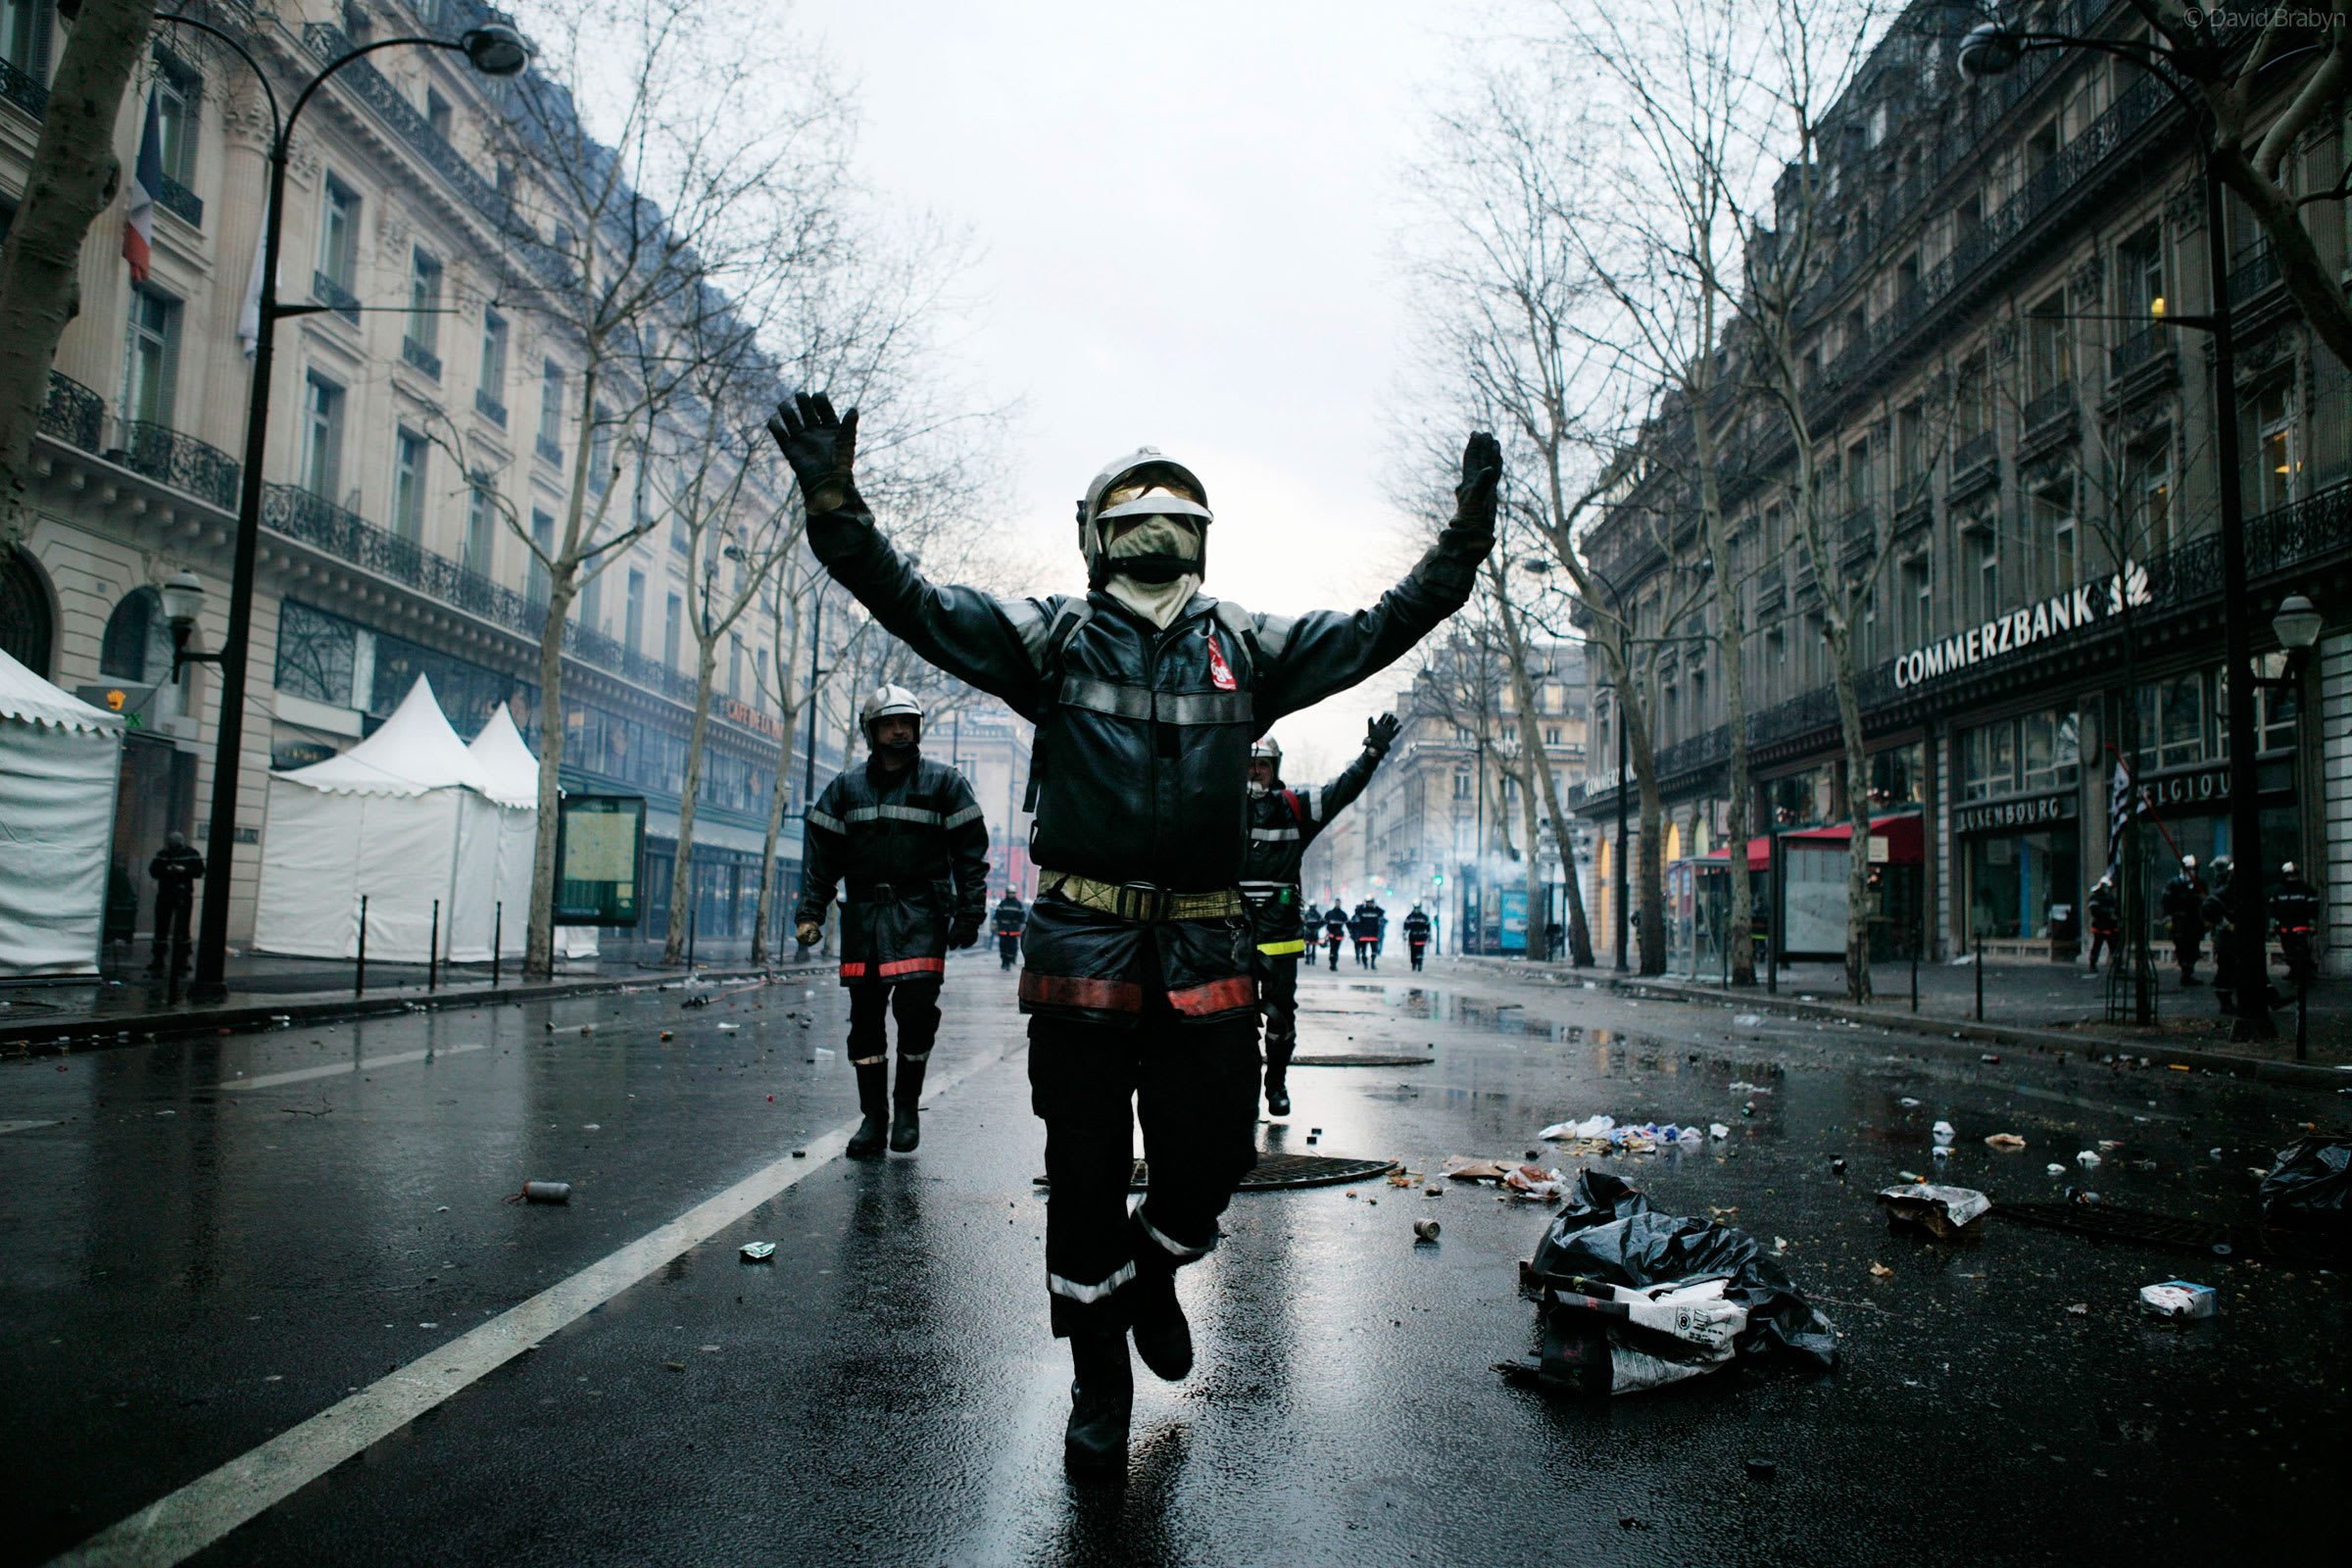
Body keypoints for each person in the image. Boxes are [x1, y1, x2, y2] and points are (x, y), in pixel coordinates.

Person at [768, 391, 1497, 1477]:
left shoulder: (1248, 646)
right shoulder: (1051, 638)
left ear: (1201, 533)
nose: (1155, 517)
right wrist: (835, 502)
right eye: (1131, 503)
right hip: (1083, 955)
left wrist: (1464, 544)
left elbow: (1389, 623)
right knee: (1087, 1174)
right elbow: (911, 602)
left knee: (1211, 1158)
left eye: (1175, 504)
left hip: (1207, 953)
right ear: (1096, 534)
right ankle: (1098, 1386)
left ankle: (1158, 1267)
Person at [796, 685, 990, 1159]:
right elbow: (822, 860)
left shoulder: (945, 784)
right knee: (865, 1024)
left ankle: (906, 1110)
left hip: (921, 917)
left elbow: (971, 855)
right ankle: (873, 1118)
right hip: (863, 922)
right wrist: (810, 911)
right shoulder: (844, 789)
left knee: (917, 1016)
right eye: (888, 723)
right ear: (872, 731)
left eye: (906, 722)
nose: (899, 731)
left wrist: (970, 911)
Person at [1241, 719, 1397, 1116]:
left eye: (1264, 764)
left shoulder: (1295, 807)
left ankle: (1275, 1087)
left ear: (1276, 767)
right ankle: (1241, 1097)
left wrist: (1371, 756)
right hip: (1232, 933)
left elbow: (1341, 790)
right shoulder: (1220, 806)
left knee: (1279, 1018)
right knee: (1232, 1022)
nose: (1256, 771)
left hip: (1279, 934)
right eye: (1250, 763)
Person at [147, 831, 204, 977]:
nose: (174, 847)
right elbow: (154, 871)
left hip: (181, 894)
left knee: (181, 928)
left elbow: (199, 870)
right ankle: (161, 958)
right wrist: (169, 870)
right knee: (162, 927)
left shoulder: (180, 854)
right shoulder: (164, 854)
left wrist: (182, 870)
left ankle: (181, 958)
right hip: (169, 894)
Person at [2271, 860, 2323, 989]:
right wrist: (2272, 926)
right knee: (2288, 950)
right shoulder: (2278, 890)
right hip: (2284, 925)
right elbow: (2273, 909)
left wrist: (2312, 924)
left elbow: (2313, 908)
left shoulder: (2306, 890)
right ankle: (2294, 970)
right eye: (2290, 875)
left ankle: (2303, 973)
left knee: (2302, 950)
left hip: (2301, 925)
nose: (2292, 878)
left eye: (2294, 875)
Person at [2160, 854, 2205, 985]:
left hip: (2194, 921)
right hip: (2179, 921)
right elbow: (2166, 902)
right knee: (2182, 947)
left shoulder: (2199, 883)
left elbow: (2204, 902)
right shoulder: (2173, 883)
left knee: (2194, 947)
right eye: (2188, 868)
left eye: (2193, 869)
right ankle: (2185, 972)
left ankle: (2189, 972)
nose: (2191, 871)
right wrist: (2168, 919)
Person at [2084, 871, 2121, 975]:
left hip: (2110, 926)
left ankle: (2117, 965)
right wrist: (2106, 913)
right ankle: (2092, 964)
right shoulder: (2095, 897)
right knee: (2097, 946)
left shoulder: (2110, 898)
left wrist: (2116, 918)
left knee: (2114, 947)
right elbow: (2094, 910)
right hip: (2100, 926)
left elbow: (2116, 910)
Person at [993, 888, 1028, 971]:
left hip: (1013, 930)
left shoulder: (1018, 904)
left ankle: (1009, 961)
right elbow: (997, 915)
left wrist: (1021, 925)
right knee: (1003, 946)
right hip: (1003, 929)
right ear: (1007, 893)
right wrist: (995, 924)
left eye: (1012, 893)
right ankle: (1004, 961)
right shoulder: (1002, 904)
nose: (1011, 895)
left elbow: (1022, 917)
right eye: (1010, 893)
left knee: (1012, 946)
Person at [1349, 900, 1379, 967]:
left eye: (1371, 903)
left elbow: (1382, 912)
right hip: (1364, 934)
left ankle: (1373, 963)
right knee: (1363, 950)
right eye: (1369, 903)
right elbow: (1356, 914)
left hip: (1373, 934)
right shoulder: (1362, 911)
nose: (1370, 904)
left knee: (1374, 950)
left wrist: (1376, 906)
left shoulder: (1375, 911)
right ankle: (1364, 962)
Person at [1403, 904, 1432, 970]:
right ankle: (1414, 964)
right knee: (1413, 952)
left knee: (1420, 952)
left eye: (1418, 908)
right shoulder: (1410, 917)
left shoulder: (1424, 917)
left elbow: (1428, 927)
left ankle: (1419, 964)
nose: (1417, 910)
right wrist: (1404, 934)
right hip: (1413, 937)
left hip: (1421, 937)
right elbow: (1406, 926)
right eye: (1416, 908)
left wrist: (1428, 935)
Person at [1323, 903, 1348, 969]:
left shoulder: (1343, 914)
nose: (1337, 904)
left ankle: (1333, 962)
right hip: (1331, 934)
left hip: (1339, 934)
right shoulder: (1329, 913)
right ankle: (1332, 963)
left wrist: (1351, 931)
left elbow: (1347, 923)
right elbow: (1324, 922)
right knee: (1333, 948)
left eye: (1338, 903)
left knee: (1336, 949)